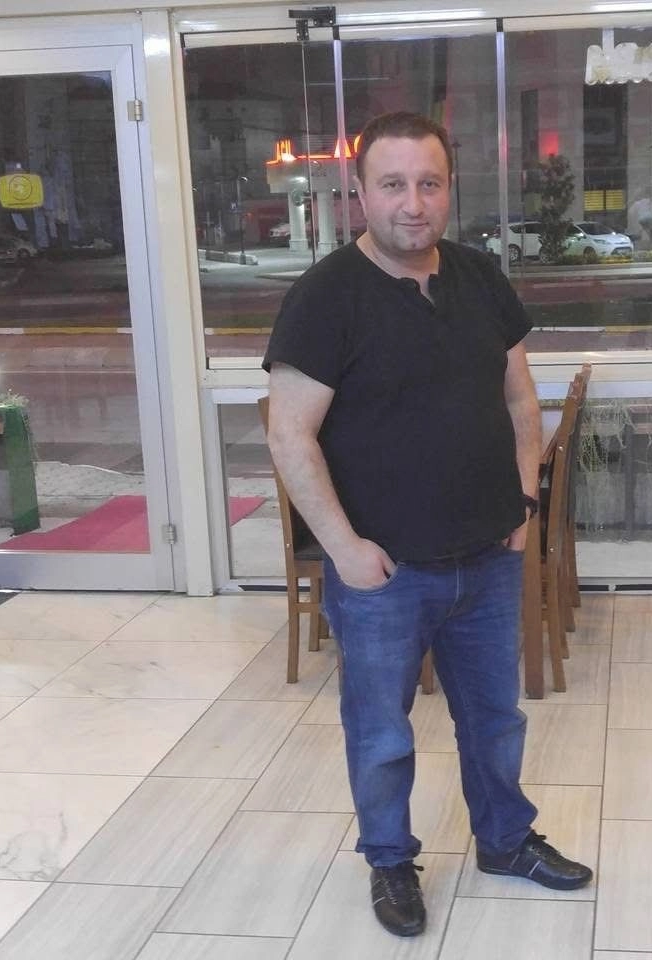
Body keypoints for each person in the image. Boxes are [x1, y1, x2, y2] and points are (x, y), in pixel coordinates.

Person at [262, 111, 592, 938]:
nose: (413, 202)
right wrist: (344, 550)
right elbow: (290, 435)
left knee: (496, 719)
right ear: (360, 193)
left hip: (488, 557)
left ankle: (505, 842)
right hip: (385, 573)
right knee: (381, 732)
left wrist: (522, 501)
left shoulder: (479, 277)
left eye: (429, 183)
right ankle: (389, 860)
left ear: (449, 190)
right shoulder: (325, 298)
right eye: (393, 184)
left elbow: (521, 400)